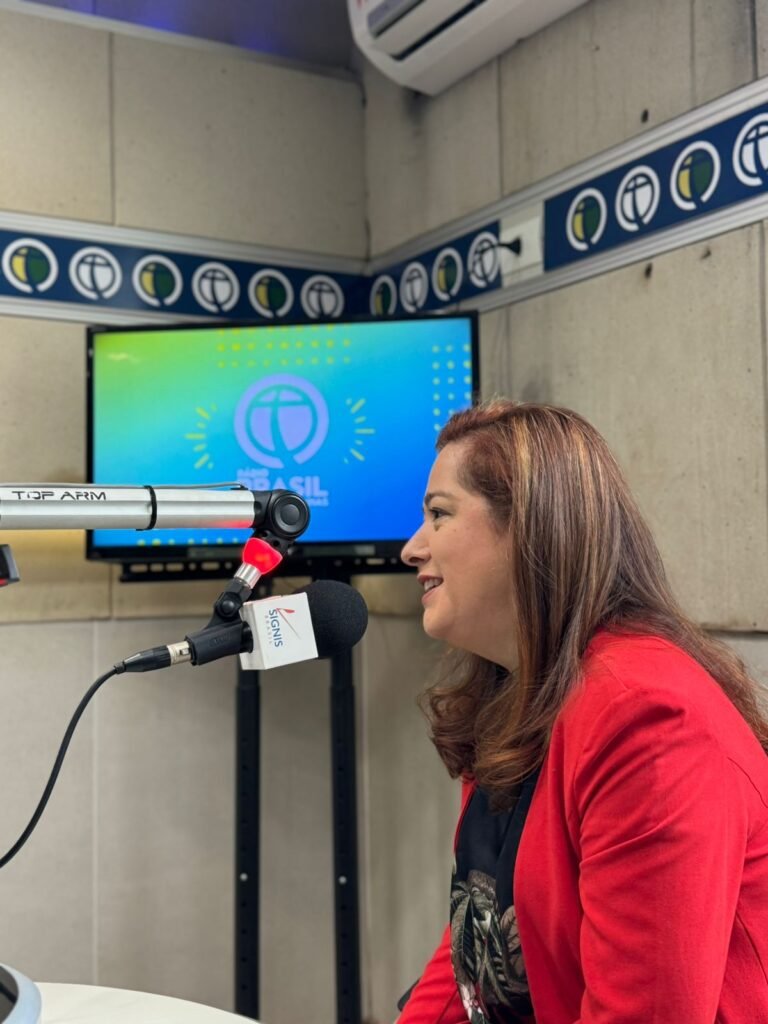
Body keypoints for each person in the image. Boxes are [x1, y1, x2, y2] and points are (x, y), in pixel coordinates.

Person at [398, 399, 768, 1024]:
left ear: (529, 527)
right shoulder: (519, 690)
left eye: (439, 514)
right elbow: (476, 941)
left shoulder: (648, 719)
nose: (413, 548)